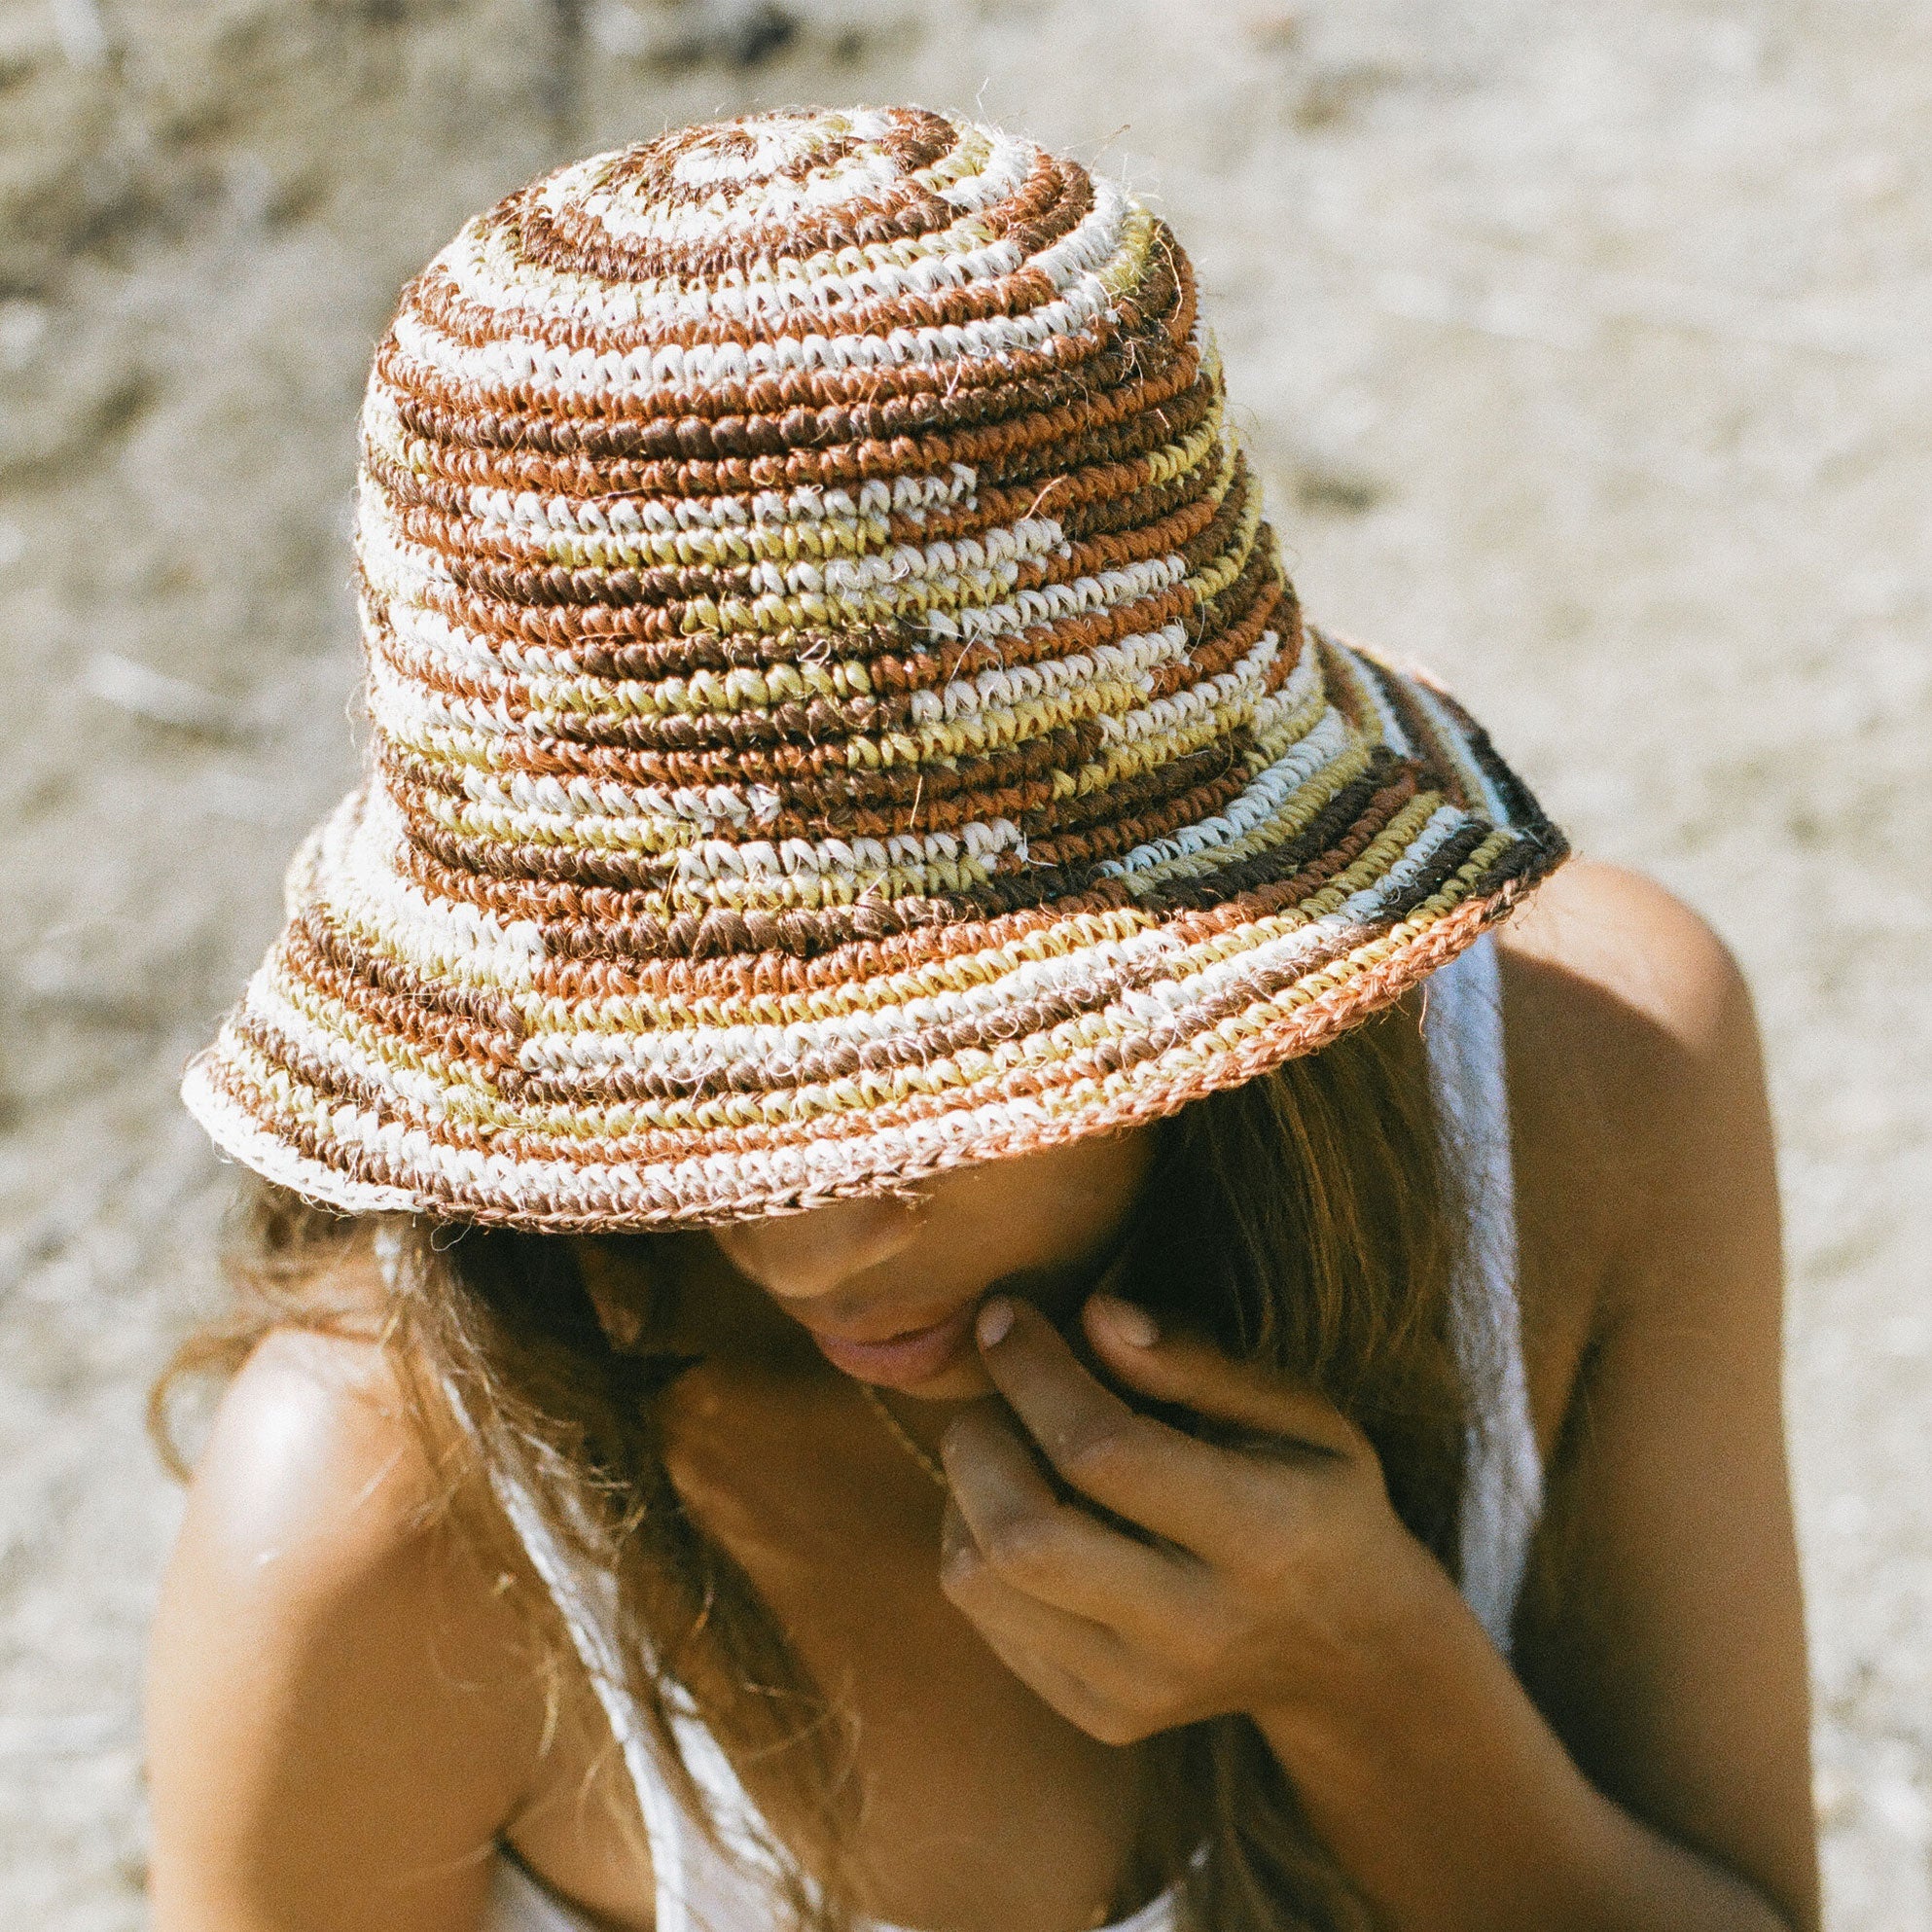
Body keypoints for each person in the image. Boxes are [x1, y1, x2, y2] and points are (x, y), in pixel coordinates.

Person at [144, 105, 1818, 1932]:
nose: (805, 1230)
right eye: (690, 1096)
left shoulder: (1583, 1084)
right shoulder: (395, 1517)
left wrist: (1367, 1675)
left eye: (913, 1076)